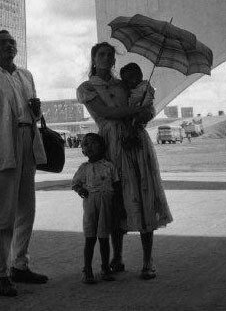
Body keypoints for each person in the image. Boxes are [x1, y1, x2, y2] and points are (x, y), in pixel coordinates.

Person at [77, 42, 173, 280]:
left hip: (136, 142)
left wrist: (144, 112)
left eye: (110, 55)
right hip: (110, 143)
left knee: (143, 194)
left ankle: (147, 260)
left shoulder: (126, 84)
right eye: (102, 54)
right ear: (93, 58)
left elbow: (148, 110)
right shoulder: (87, 87)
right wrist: (135, 112)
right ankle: (116, 257)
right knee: (115, 198)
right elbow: (106, 113)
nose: (107, 58)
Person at [0, 30, 48, 297]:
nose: (9, 45)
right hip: (4, 144)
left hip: (28, 140)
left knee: (27, 208)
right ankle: (0, 273)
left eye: (12, 42)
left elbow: (33, 116)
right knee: (2, 214)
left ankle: (20, 264)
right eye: (2, 42)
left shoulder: (26, 75)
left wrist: (36, 112)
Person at [72, 133, 121, 284]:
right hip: (90, 208)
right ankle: (87, 270)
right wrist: (81, 190)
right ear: (83, 150)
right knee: (90, 239)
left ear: (102, 147)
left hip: (106, 208)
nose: (88, 146)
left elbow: (117, 185)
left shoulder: (109, 166)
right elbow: (76, 184)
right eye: (85, 144)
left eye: (93, 143)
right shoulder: (83, 168)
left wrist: (118, 206)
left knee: (104, 238)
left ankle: (105, 268)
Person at [119, 62, 156, 149]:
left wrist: (140, 107)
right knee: (129, 123)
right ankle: (130, 138)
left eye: (133, 77)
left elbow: (148, 99)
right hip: (133, 111)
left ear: (140, 75)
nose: (132, 81)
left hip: (144, 109)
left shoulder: (145, 86)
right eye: (127, 80)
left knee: (136, 123)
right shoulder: (129, 89)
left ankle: (135, 140)